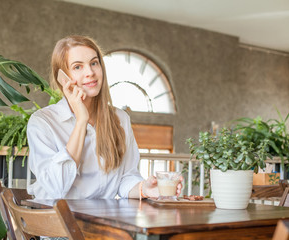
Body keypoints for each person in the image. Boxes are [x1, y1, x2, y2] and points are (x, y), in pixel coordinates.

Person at [27, 35, 181, 200]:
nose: (90, 73)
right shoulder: (43, 122)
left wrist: (146, 189)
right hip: (53, 219)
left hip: (99, 219)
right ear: (63, 78)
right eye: (77, 67)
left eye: (94, 63)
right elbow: (56, 188)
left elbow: (125, 178)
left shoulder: (120, 119)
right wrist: (81, 121)